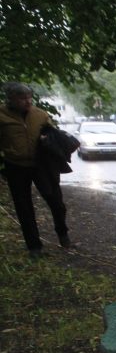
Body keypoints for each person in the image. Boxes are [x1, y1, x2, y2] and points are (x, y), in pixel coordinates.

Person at [0, 82, 71, 257]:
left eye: (29, 97)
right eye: (22, 98)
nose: (28, 101)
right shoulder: (1, 115)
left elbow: (54, 133)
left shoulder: (39, 114)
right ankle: (34, 247)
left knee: (55, 201)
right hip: (15, 165)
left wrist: (49, 139)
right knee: (23, 207)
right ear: (11, 99)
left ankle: (63, 234)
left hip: (41, 165)